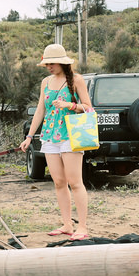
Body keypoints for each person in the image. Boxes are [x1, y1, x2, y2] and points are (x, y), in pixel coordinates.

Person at [19, 43, 93, 239]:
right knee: (59, 182)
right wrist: (29, 137)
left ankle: (82, 227)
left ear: (62, 62)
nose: (49, 67)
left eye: (52, 63)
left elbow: (88, 107)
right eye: (47, 64)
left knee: (75, 182)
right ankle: (67, 224)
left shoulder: (76, 80)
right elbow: (40, 110)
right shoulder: (45, 82)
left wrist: (69, 105)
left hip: (70, 135)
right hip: (49, 136)